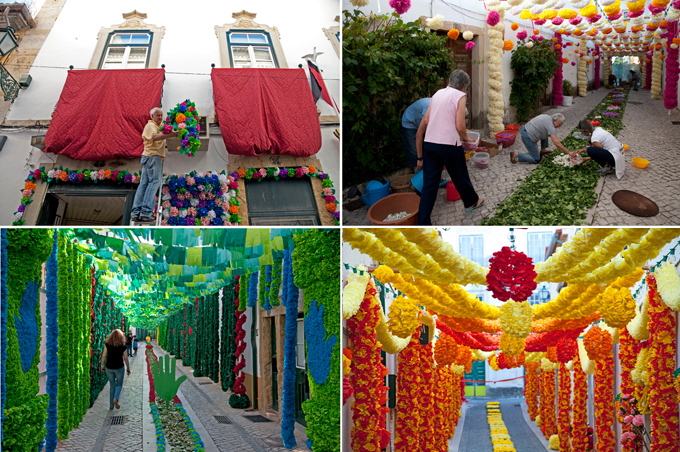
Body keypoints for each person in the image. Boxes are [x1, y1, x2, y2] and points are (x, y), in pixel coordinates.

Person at [416, 69, 484, 225]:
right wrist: (466, 139)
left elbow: (427, 119)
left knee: (429, 185)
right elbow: (460, 125)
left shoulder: (437, 93)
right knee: (460, 175)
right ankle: (471, 202)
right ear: (463, 86)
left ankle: (423, 223)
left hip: (430, 144)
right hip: (448, 145)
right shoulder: (460, 95)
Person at [130, 108, 180, 223]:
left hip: (149, 157)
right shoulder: (150, 126)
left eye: (162, 115)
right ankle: (146, 212)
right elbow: (155, 137)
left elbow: (167, 126)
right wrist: (172, 135)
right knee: (155, 182)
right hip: (153, 156)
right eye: (158, 115)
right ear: (152, 116)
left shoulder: (158, 125)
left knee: (144, 184)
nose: (160, 117)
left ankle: (137, 212)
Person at [100, 329, 130, 410]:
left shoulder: (107, 344)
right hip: (119, 367)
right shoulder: (122, 345)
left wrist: (102, 365)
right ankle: (115, 399)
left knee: (112, 385)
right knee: (119, 384)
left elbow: (103, 356)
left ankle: (111, 405)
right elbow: (126, 358)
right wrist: (128, 368)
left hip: (109, 367)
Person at [401, 98, 431, 171]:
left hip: (420, 121)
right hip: (410, 123)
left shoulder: (442, 108)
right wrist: (420, 158)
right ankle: (417, 180)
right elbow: (419, 134)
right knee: (415, 155)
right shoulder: (430, 107)